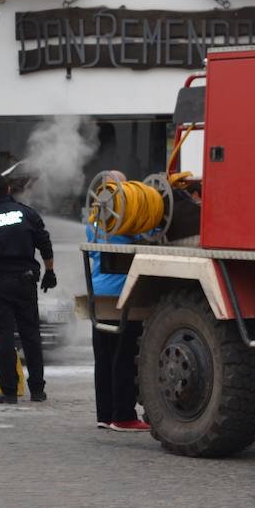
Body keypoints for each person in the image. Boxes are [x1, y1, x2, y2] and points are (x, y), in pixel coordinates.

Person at [0, 174, 55, 404]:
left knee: (4, 338)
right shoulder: (27, 213)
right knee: (31, 336)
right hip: (26, 282)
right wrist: (50, 271)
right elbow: (45, 243)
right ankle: (38, 390)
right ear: (8, 190)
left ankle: (9, 392)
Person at [87, 171, 150, 432]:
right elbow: (153, 233)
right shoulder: (128, 221)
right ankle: (123, 416)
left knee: (103, 358)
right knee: (123, 356)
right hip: (123, 295)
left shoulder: (94, 220)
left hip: (98, 294)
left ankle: (105, 414)